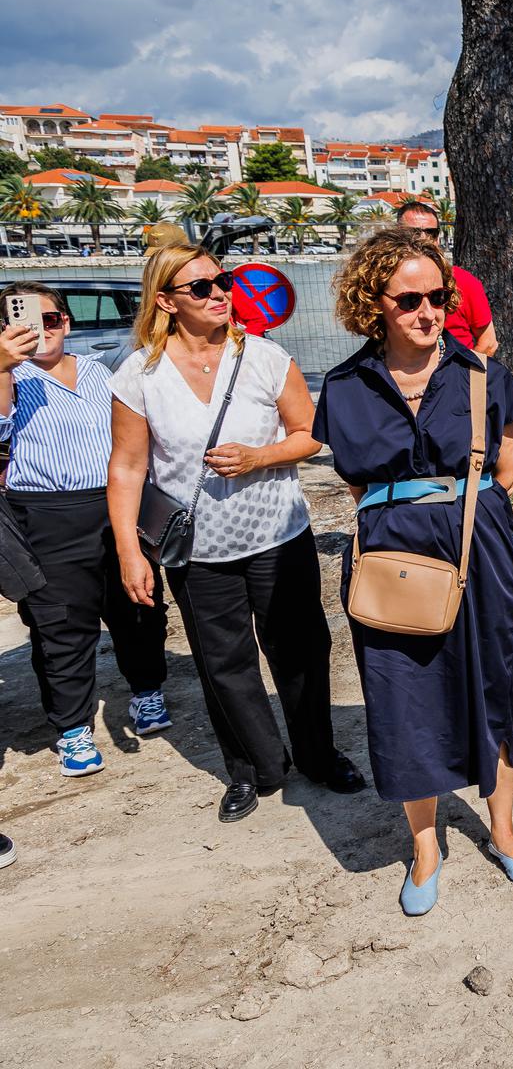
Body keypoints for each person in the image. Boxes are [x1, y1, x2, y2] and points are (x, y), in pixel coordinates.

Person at [317, 227, 513, 915]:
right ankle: (424, 847)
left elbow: (506, 469)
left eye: (436, 297)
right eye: (408, 298)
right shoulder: (345, 386)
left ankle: (502, 829)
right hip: (389, 556)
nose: (427, 311)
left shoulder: (482, 375)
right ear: (372, 302)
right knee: (403, 697)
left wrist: (454, 512)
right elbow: (358, 485)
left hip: (482, 546)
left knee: (492, 687)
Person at [107, 243, 365, 823]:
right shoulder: (139, 374)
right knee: (222, 664)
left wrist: (260, 456)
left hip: (278, 534)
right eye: (200, 287)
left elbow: (309, 434)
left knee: (300, 652)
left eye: (221, 281)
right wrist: (129, 549)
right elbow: (126, 468)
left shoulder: (266, 357)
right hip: (196, 551)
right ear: (167, 301)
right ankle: (252, 768)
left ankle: (319, 756)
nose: (220, 292)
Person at [1, 281, 170, 778]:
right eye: (26, 322)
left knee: (138, 605)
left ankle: (147, 691)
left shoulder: (101, 372)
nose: (42, 331)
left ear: (67, 324)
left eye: (51, 320)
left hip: (115, 505)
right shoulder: (9, 378)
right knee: (60, 628)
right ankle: (72, 727)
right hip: (45, 516)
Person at [396, 201, 497, 357]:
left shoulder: (464, 281)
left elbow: (488, 343)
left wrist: (463, 378)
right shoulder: (385, 284)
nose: (423, 239)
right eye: (414, 233)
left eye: (431, 233)